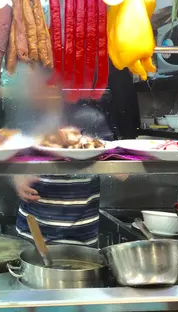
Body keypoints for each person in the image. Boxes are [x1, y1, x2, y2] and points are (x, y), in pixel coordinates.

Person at [14, 102, 111, 246]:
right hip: (32, 233)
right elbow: (15, 158)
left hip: (82, 236)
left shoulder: (92, 117)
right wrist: (17, 179)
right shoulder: (30, 117)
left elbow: (114, 161)